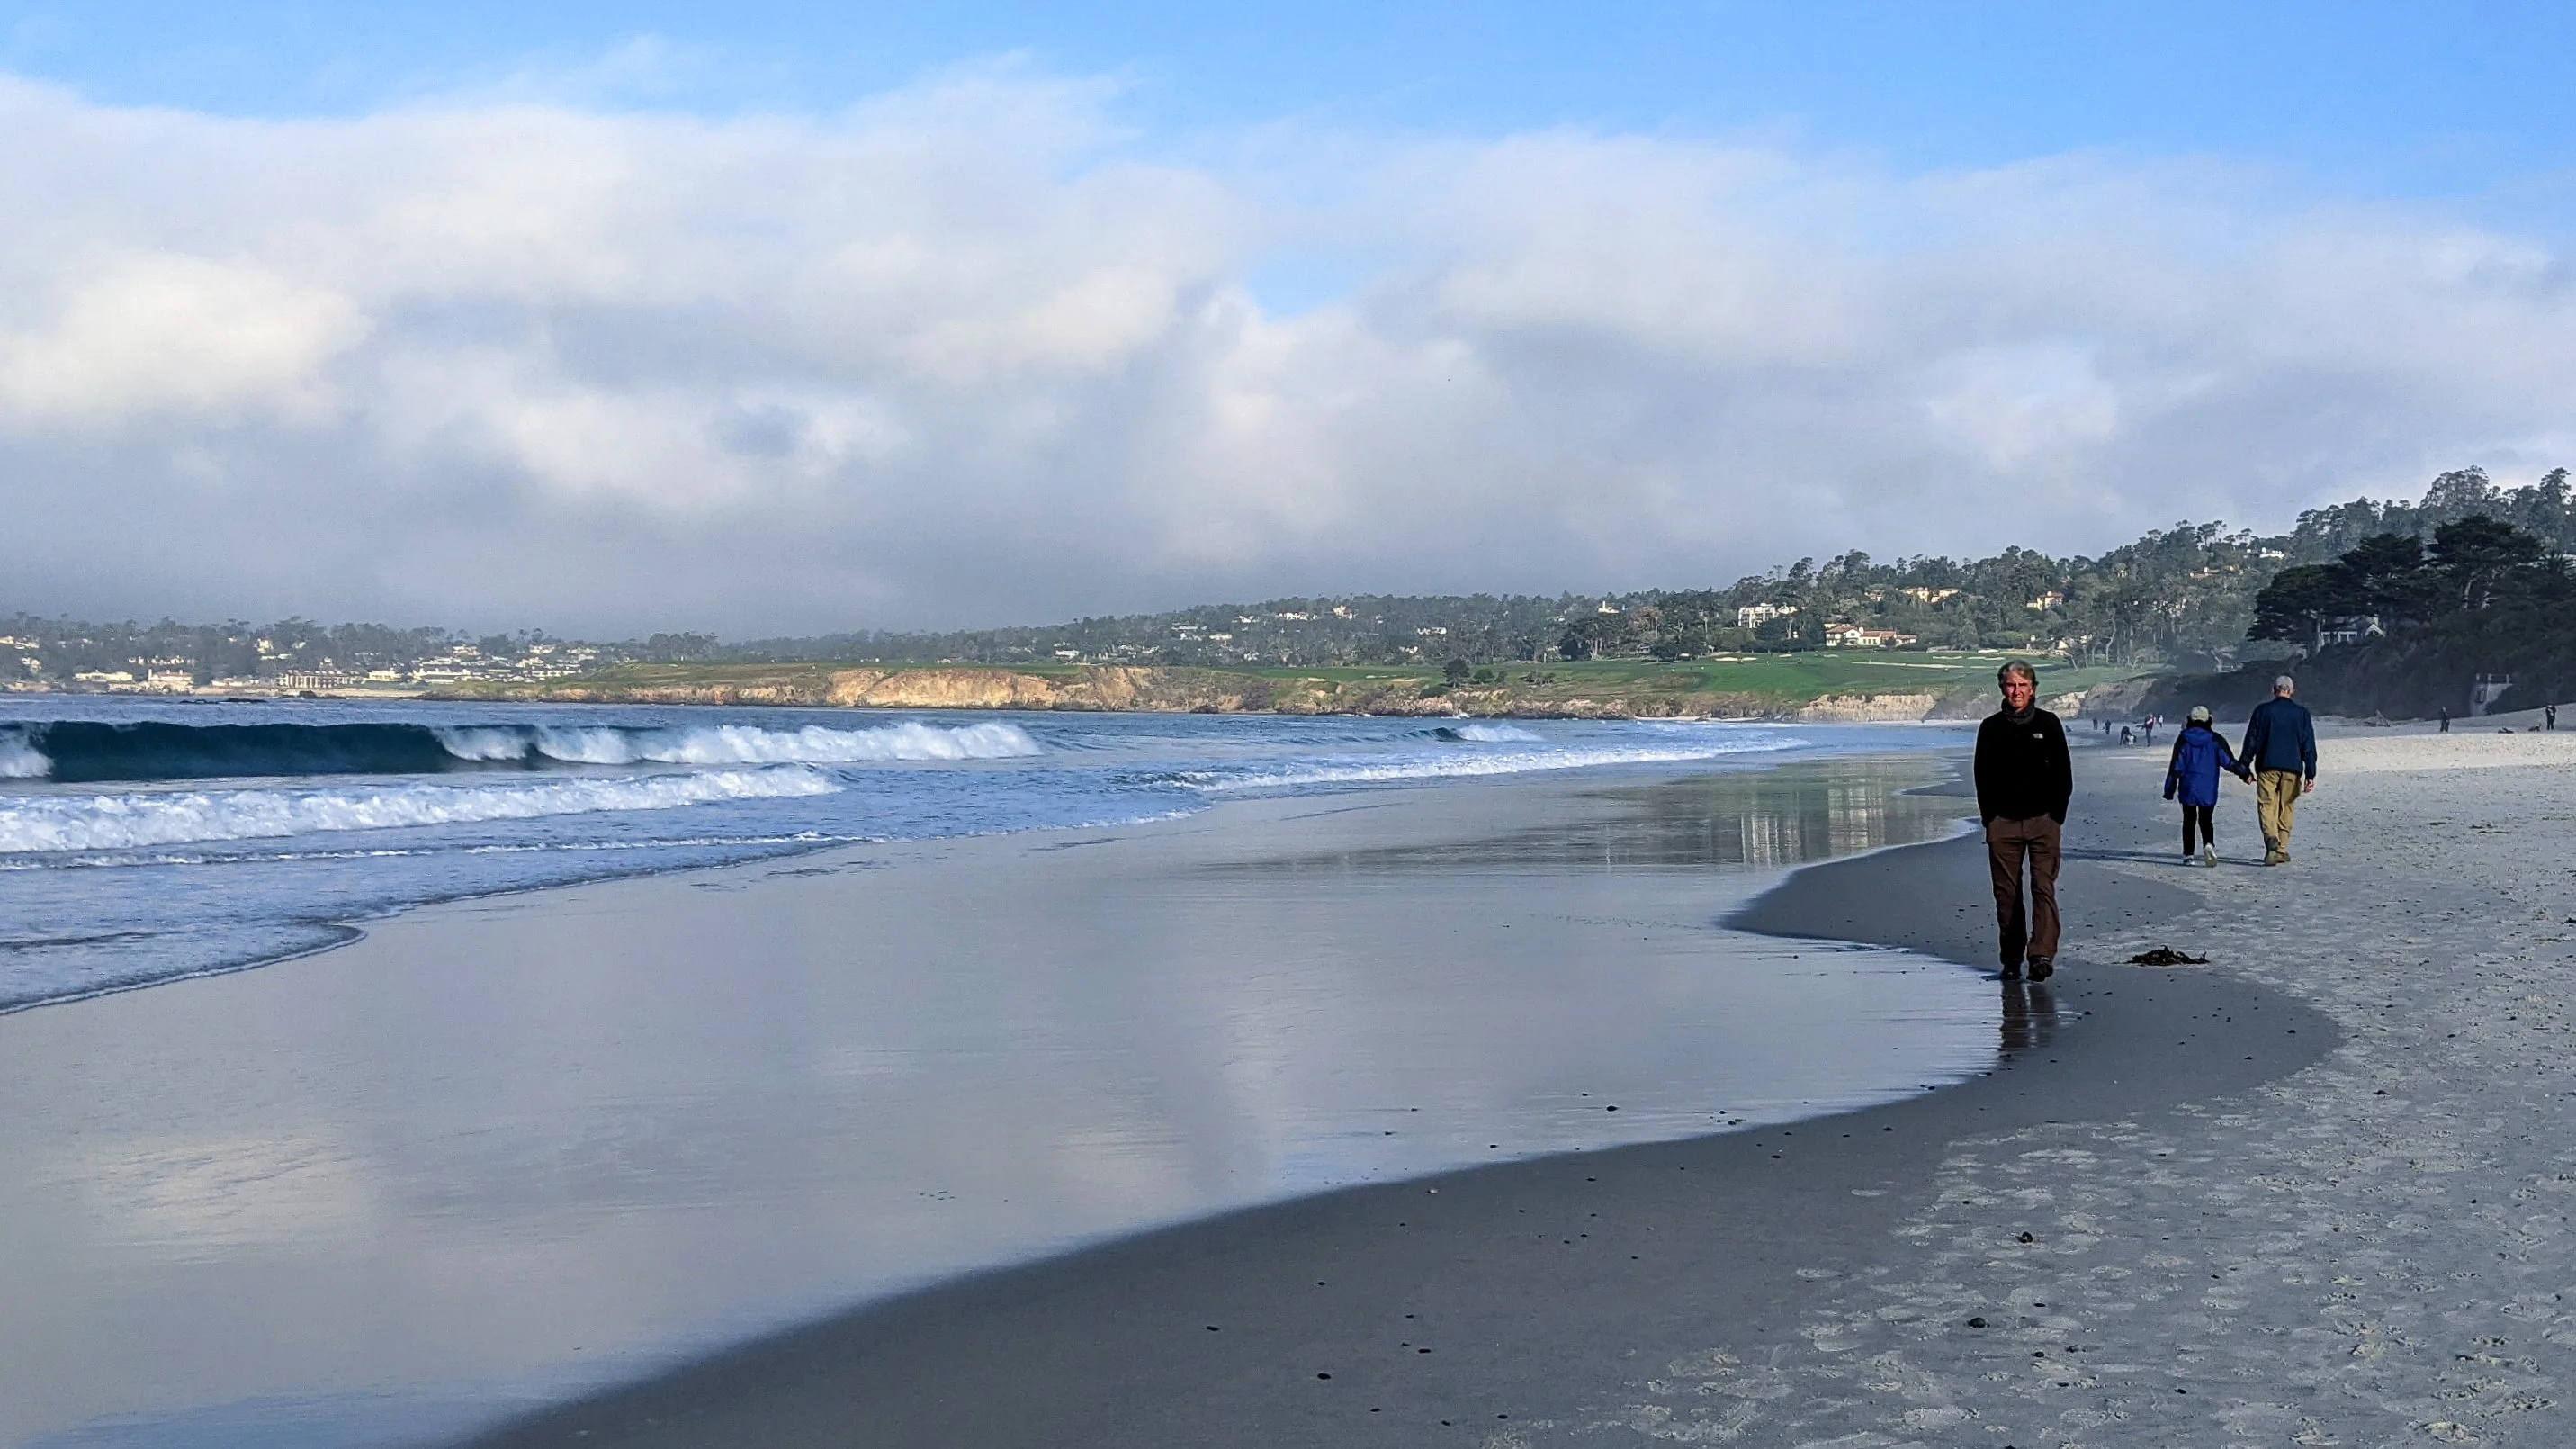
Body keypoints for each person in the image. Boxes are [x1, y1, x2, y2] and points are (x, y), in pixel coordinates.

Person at [1974, 661, 2073, 980]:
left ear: (2033, 689)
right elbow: (1982, 776)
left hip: (2043, 821)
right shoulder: (1990, 728)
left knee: (2043, 887)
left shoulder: (2049, 723)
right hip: (2002, 823)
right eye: (2010, 685)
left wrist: (2056, 816)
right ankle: (2012, 956)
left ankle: (2042, 954)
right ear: (2001, 688)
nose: (2016, 691)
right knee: (2007, 894)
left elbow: (2064, 775)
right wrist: (1990, 818)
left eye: (2022, 685)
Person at [2239, 675, 2319, 865]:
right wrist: (2310, 773)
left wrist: (2244, 767)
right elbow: (2308, 745)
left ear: (2274, 690)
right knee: (2287, 807)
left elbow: (2251, 741)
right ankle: (2282, 849)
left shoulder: (2262, 711)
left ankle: (2271, 840)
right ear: (2291, 691)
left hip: (2267, 766)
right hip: (2292, 767)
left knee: (2267, 804)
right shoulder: (2302, 714)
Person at [2163, 705, 2250, 867]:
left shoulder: (2183, 739)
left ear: (2189, 720)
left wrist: (2169, 789)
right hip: (2207, 788)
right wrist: (2245, 774)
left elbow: (2176, 767)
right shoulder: (2215, 739)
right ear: (2209, 719)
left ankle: (2188, 855)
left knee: (2188, 820)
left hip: (2188, 786)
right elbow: (2229, 762)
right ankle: (2208, 845)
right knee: (2206, 819)